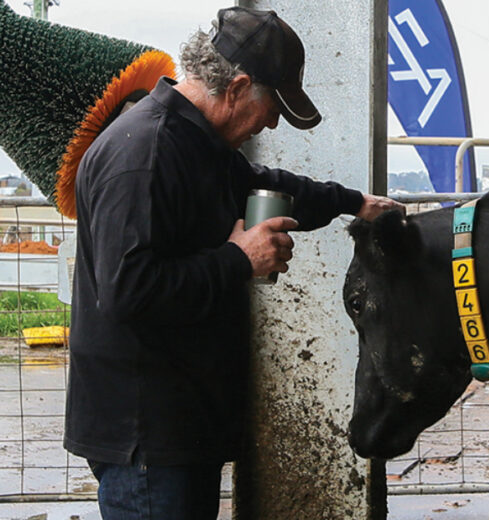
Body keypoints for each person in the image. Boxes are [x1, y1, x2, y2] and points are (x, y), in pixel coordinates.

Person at [62, 7, 402, 519]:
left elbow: (265, 184)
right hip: (146, 437)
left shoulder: (196, 142)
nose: (272, 121)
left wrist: (353, 203)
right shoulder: (145, 153)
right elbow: (128, 290)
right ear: (238, 88)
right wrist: (239, 259)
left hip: (178, 426)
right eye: (272, 106)